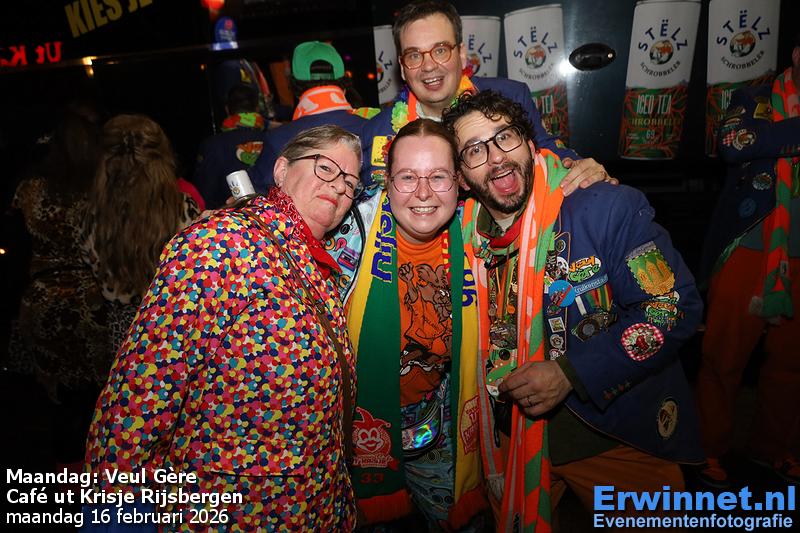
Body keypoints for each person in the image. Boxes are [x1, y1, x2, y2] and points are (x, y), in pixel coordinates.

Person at [442, 90, 704, 531]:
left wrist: (570, 373)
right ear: (462, 178)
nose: (496, 157)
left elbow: (671, 306)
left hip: (611, 436)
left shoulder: (604, 206)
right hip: (506, 441)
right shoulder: (455, 237)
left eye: (505, 137)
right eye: (474, 150)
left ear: (531, 144)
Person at [86, 125, 362, 532]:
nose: (339, 186)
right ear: (281, 170)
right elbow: (146, 383)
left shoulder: (311, 261)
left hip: (310, 504)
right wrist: (118, 505)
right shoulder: (223, 242)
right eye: (326, 168)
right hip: (236, 510)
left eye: (351, 182)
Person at [347, 119, 486, 532]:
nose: (423, 193)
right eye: (407, 177)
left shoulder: (477, 234)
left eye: (438, 176)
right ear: (386, 183)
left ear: (459, 182)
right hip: (354, 431)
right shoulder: (347, 235)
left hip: (435, 421)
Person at [360, 0, 612, 194]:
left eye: (440, 50)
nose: (428, 66)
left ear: (461, 55)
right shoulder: (375, 134)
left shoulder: (512, 97)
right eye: (414, 55)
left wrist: (581, 168)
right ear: (403, 68)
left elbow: (549, 152)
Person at [693, 34, 800, 488]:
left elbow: (757, 143)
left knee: (791, 366)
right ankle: (707, 449)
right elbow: (734, 143)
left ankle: (771, 450)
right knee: (723, 357)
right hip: (749, 248)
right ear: (796, 55)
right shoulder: (755, 97)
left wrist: (776, 140)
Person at [10, 101, 112, 483]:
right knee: (103, 405)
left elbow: (15, 252)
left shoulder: (28, 187)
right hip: (94, 301)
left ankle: (74, 494)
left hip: (44, 302)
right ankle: (108, 493)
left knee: (62, 408)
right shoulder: (103, 185)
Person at [81, 114, 201, 352]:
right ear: (162, 156)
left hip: (124, 331)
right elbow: (198, 273)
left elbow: (88, 262)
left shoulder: (91, 213)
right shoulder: (183, 207)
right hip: (175, 326)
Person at [248, 41, 377, 191]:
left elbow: (253, 196)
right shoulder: (374, 128)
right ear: (344, 88)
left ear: (295, 90)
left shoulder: (277, 139)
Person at [194, 85, 268, 209]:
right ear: (257, 109)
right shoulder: (274, 139)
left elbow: (203, 195)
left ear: (227, 110)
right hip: (271, 216)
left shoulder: (211, 145)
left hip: (227, 218)